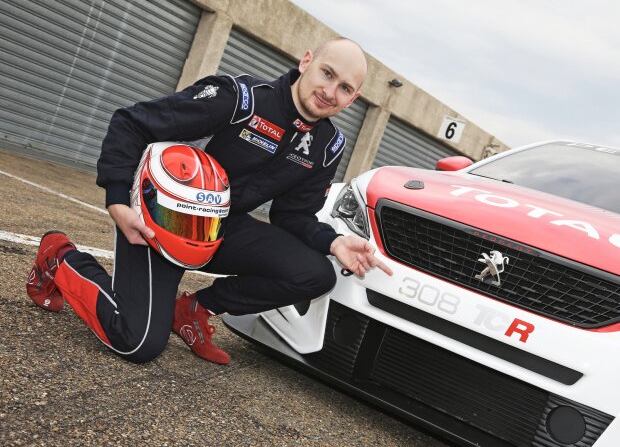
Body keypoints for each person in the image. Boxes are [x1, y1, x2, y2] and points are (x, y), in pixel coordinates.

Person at [26, 37, 393, 365]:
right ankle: (60, 257)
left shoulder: (328, 146)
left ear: (354, 99)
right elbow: (132, 123)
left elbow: (293, 215)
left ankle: (193, 310)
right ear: (306, 61)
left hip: (220, 228)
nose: (330, 91)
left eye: (345, 88)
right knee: (136, 342)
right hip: (160, 219)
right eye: (327, 74)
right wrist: (118, 200)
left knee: (315, 273)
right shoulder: (241, 98)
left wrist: (334, 241)